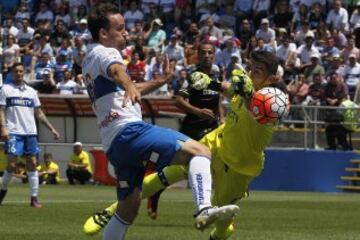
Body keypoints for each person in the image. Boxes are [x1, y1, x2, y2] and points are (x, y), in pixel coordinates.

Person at [83, 50, 284, 240]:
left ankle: (221, 233)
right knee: (166, 175)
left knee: (223, 216)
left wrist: (248, 93)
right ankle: (112, 210)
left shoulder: (273, 101)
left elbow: (257, 109)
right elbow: (231, 90)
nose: (251, 73)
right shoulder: (245, 85)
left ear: (273, 77)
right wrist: (209, 82)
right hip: (217, 142)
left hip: (240, 165)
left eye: (258, 71)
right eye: (251, 68)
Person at [82, 4, 239, 240]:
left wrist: (160, 80)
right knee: (200, 151)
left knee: (127, 210)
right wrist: (128, 84)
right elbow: (117, 72)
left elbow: (124, 86)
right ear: (104, 33)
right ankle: (204, 209)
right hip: (130, 131)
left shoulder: (90, 57)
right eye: (120, 28)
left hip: (115, 145)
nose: (126, 33)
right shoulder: (107, 53)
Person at [0, 62, 60, 208]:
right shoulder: (6, 89)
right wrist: (4, 128)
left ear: (24, 73)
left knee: (32, 163)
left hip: (30, 133)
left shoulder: (31, 92)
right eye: (16, 71)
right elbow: (1, 110)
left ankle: (34, 198)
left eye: (21, 71)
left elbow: (38, 113)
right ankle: (2, 191)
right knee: (12, 164)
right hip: (14, 131)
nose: (19, 74)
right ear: (12, 73)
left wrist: (52, 129)